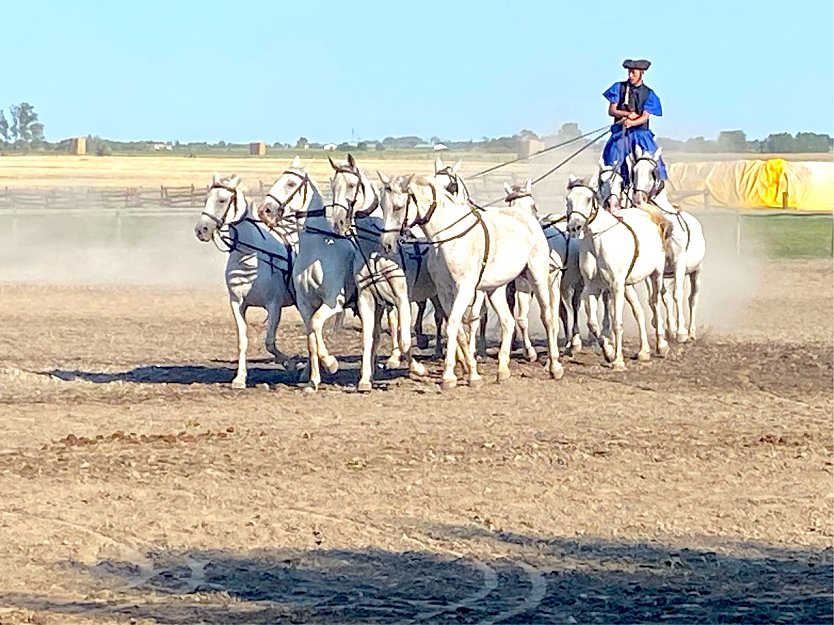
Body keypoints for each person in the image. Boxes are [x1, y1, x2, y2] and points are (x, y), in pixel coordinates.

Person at [601, 59, 667, 188]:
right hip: (620, 134)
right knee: (611, 162)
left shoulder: (649, 94)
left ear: (642, 73)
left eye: (634, 73)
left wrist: (632, 122)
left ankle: (655, 192)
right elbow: (612, 110)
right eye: (629, 72)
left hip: (641, 135)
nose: (630, 76)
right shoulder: (618, 87)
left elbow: (644, 117)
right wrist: (626, 115)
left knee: (653, 162)